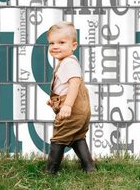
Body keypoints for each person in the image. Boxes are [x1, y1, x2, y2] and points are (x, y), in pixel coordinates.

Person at [46, 21, 95, 174]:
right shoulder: (66, 62)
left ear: (74, 46)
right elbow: (64, 87)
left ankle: (50, 171)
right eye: (51, 43)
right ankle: (89, 167)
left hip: (73, 109)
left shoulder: (68, 63)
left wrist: (66, 106)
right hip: (80, 110)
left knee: (59, 137)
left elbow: (74, 84)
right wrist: (55, 101)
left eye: (61, 42)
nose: (55, 46)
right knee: (77, 137)